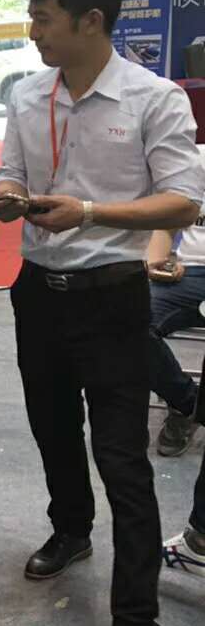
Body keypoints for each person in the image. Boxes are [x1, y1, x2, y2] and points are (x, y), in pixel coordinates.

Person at [0, 0, 202, 626]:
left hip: (113, 298)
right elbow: (13, 168)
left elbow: (182, 202)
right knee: (51, 428)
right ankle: (70, 530)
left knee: (122, 460)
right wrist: (8, 194)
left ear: (91, 21)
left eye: (43, 19)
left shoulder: (153, 98)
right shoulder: (27, 95)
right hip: (37, 293)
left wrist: (89, 212)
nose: (33, 32)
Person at [142, 149, 205, 457]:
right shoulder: (196, 160)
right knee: (130, 321)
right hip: (191, 273)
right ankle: (188, 403)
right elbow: (167, 223)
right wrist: (156, 261)